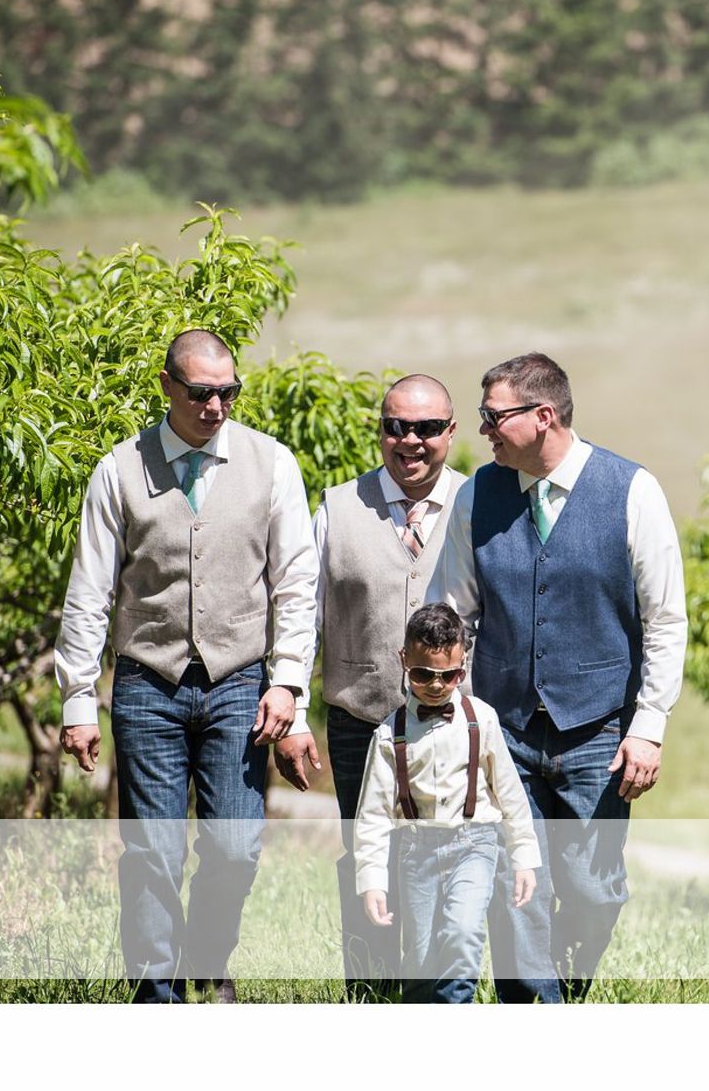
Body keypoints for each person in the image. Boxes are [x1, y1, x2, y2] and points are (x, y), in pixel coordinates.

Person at [53, 328, 317, 1003]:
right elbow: (89, 592)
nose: (216, 406)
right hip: (147, 681)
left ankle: (207, 954)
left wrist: (289, 685)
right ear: (167, 386)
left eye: (228, 391)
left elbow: (295, 584)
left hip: (241, 683)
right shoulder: (118, 469)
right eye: (201, 392)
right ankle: (155, 998)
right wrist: (78, 699)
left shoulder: (273, 464)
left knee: (234, 848)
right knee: (154, 853)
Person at [426, 351, 687, 1002]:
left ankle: (561, 990)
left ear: (543, 417)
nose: (483, 429)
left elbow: (665, 620)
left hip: (598, 730)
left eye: (493, 416)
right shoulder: (475, 495)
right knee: (517, 888)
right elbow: (449, 613)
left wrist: (648, 727)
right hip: (504, 728)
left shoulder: (633, 491)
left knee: (594, 891)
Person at [287, 373, 465, 1000]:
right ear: (380, 430)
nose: (409, 441)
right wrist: (293, 709)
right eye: (396, 427)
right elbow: (300, 617)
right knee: (367, 862)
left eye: (425, 429)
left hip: (453, 728)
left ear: (451, 431)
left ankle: (433, 1004)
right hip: (359, 723)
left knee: (446, 867)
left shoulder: (479, 506)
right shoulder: (335, 508)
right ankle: (369, 1002)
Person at [354, 603, 539, 1004]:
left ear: (463, 665)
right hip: (416, 851)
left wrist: (523, 855)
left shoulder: (482, 720)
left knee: (463, 932)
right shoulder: (390, 734)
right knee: (419, 959)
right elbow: (372, 817)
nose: (437, 686)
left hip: (475, 844)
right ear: (404, 661)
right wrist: (372, 879)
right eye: (423, 675)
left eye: (450, 675)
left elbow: (510, 795)